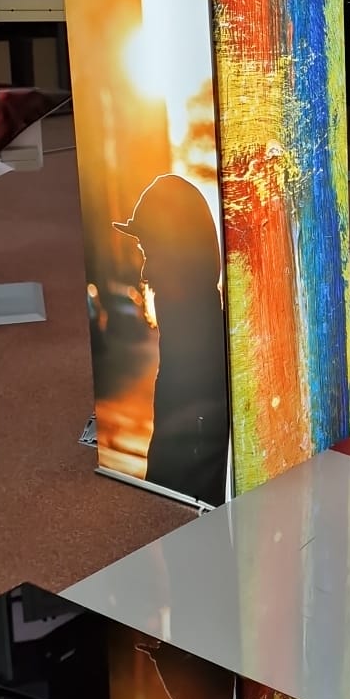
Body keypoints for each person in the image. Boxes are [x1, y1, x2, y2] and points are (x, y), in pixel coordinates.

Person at [113, 175, 230, 506]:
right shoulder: (190, 331)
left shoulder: (198, 344)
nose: (144, 273)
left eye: (151, 253)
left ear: (181, 256)